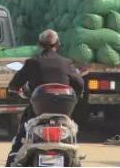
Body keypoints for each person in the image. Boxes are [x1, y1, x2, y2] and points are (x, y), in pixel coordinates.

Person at [5, 29, 84, 166]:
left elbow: (14, 84)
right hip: (63, 114)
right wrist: (77, 95)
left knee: (21, 138)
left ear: (39, 44)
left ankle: (13, 159)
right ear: (58, 44)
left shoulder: (32, 62)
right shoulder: (66, 63)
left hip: (36, 112)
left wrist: (14, 89)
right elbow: (79, 84)